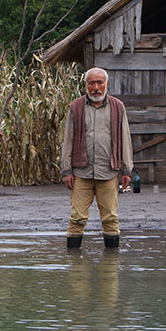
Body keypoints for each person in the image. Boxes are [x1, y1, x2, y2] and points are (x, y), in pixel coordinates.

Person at [60, 67, 133, 249]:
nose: (96, 87)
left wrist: (127, 170)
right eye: (91, 83)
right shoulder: (75, 107)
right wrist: (66, 170)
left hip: (109, 171)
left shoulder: (118, 107)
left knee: (110, 218)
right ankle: (76, 272)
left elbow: (125, 139)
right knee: (77, 219)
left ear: (106, 84)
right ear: (86, 85)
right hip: (81, 173)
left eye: (100, 82)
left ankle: (110, 271)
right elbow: (68, 140)